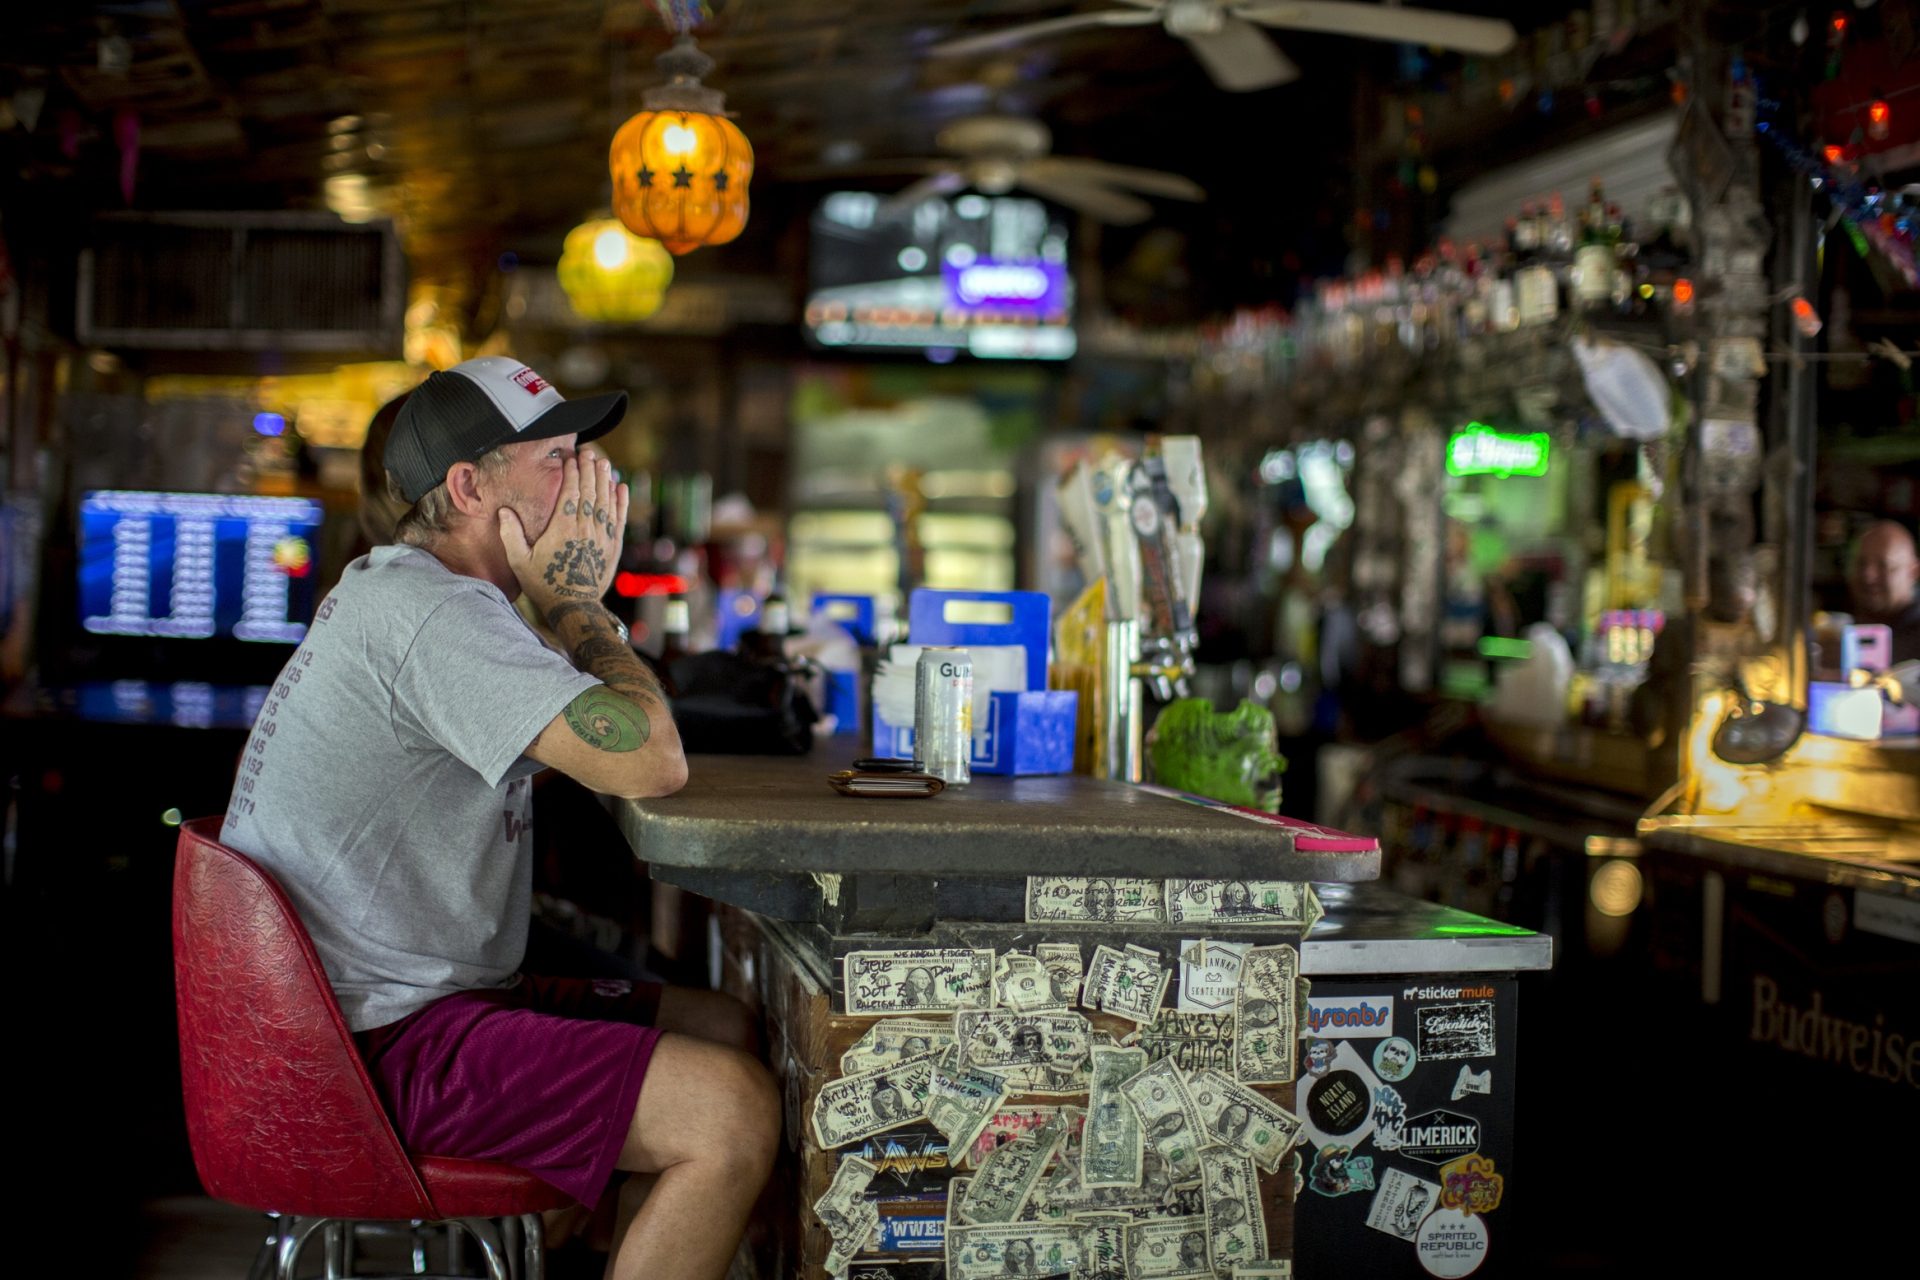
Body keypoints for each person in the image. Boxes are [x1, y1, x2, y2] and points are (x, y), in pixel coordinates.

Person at [219, 356, 776, 1280]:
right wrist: (576, 604)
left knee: (722, 1029)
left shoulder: (419, 594)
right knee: (732, 1111)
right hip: (371, 1051)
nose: (595, 487)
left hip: (389, 1010)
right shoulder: (438, 618)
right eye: (558, 458)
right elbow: (653, 759)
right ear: (471, 486)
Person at [1849, 520, 1920, 663]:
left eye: (1884, 566)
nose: (1868, 576)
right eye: (1861, 563)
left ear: (1913, 572)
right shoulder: (1843, 624)